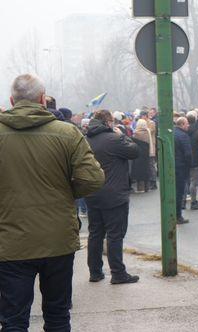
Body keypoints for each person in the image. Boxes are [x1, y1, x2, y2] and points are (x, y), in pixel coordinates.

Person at [0, 74, 104, 331]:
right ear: (43, 100)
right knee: (58, 315)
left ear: (12, 100)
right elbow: (92, 179)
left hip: (10, 241)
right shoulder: (68, 133)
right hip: (57, 240)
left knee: (14, 319)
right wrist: (66, 193)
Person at [85, 109, 140, 285]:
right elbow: (134, 151)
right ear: (109, 122)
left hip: (92, 192)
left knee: (95, 233)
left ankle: (95, 271)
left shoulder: (86, 139)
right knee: (115, 234)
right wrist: (122, 135)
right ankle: (118, 273)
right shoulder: (114, 139)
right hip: (115, 194)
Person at [174, 117, 193, 223]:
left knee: (174, 191)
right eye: (186, 124)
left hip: (174, 166)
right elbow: (188, 154)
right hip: (181, 167)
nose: (188, 125)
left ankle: (174, 214)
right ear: (181, 125)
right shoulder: (183, 136)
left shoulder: (173, 133)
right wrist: (189, 166)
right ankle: (178, 216)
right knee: (179, 192)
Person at [131, 119, 153, 193]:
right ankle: (147, 187)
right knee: (146, 170)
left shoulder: (137, 133)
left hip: (139, 155)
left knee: (139, 171)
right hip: (146, 153)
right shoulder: (148, 132)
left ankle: (140, 188)